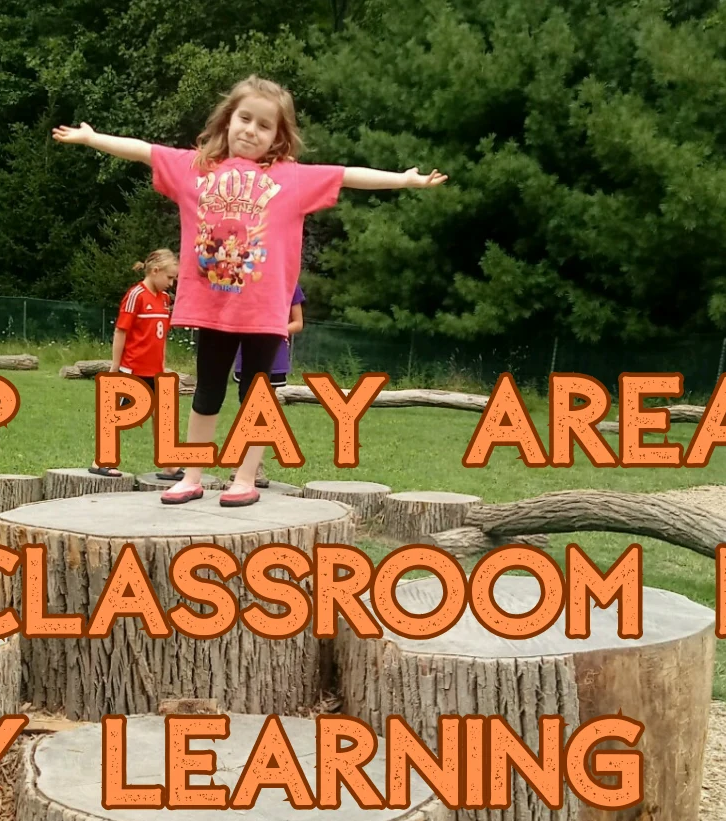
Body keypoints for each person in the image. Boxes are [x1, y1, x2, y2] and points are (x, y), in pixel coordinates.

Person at [55, 75, 446, 507]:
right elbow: (145, 151)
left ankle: (244, 478)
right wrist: (92, 138)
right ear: (228, 120)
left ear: (278, 136)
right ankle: (192, 475)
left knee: (256, 396)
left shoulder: (291, 178)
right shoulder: (195, 167)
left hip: (263, 313)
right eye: (244, 119)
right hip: (212, 309)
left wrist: (404, 180)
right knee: (207, 391)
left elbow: (348, 176)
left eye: (264, 125)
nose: (251, 130)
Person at [89, 249, 184, 480]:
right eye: (169, 278)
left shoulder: (164, 299)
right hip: (133, 369)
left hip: (155, 371)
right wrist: (115, 366)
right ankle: (101, 460)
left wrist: (163, 364)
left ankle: (169, 465)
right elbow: (121, 331)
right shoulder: (136, 295)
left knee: (163, 417)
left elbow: (160, 336)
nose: (172, 284)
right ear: (155, 271)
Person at [231, 279, 303, 487]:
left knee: (263, 411)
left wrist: (274, 330)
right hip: (247, 352)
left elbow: (298, 323)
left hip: (275, 355)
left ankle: (255, 466)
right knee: (246, 410)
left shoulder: (289, 283)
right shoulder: (244, 278)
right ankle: (239, 463)